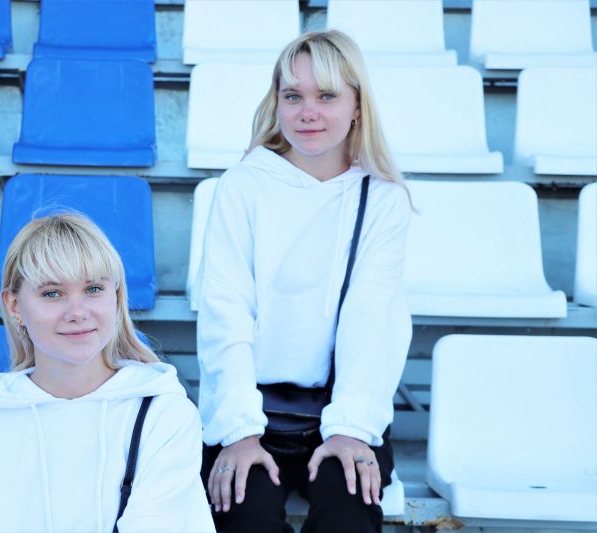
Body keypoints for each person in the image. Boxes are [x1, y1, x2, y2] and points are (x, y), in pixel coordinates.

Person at [196, 30, 413, 532]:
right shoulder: (243, 185)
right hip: (250, 408)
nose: (307, 112)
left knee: (349, 513)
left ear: (357, 106)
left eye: (327, 96)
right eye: (293, 96)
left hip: (340, 406)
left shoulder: (382, 198)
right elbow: (226, 310)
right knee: (244, 514)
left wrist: (351, 427)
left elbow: (371, 316)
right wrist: (239, 431)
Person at [0, 213, 214, 532]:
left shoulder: (164, 416)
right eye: (52, 293)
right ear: (14, 306)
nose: (78, 312)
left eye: (93, 289)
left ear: (116, 296)